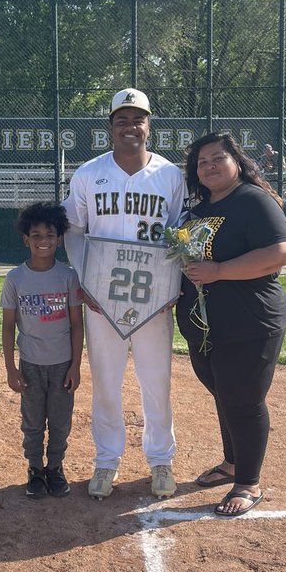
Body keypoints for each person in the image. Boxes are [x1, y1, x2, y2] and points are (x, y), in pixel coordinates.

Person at [63, 88, 187, 501]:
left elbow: (179, 234)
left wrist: (172, 283)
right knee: (105, 380)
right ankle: (106, 460)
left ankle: (160, 460)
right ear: (110, 127)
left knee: (157, 380)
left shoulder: (170, 175)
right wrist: (84, 278)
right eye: (122, 120)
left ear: (149, 126)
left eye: (138, 120)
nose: (130, 127)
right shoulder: (88, 173)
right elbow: (73, 228)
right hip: (103, 295)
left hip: (153, 295)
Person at [177, 133, 286, 517]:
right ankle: (231, 463)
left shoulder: (252, 200)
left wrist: (220, 271)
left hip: (250, 320)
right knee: (224, 393)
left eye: (217, 158)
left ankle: (248, 482)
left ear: (237, 162)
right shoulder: (196, 212)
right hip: (205, 325)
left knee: (243, 399)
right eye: (201, 162)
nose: (209, 166)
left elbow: (282, 252)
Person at [0, 202, 84, 499]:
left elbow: (77, 324)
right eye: (36, 235)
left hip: (62, 364)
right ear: (26, 239)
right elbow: (8, 326)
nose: (43, 241)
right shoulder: (15, 278)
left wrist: (75, 366)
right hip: (31, 364)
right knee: (33, 421)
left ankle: (55, 468)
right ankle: (35, 468)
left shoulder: (68, 276)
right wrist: (11, 368)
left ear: (59, 239)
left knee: (60, 422)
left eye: (50, 235)